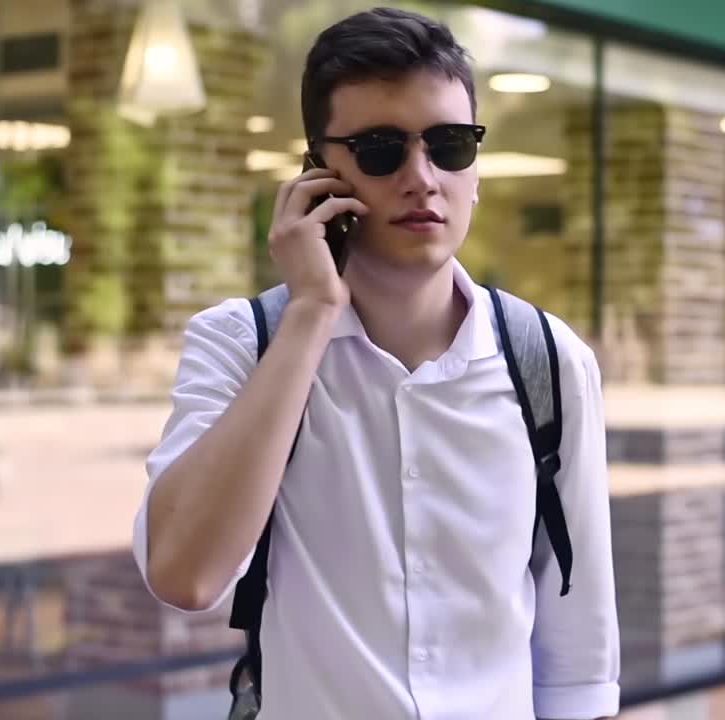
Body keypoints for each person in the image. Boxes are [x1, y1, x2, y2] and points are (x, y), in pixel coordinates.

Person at [130, 8, 620, 719]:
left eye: (450, 145)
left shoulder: (548, 360)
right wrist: (310, 313)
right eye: (381, 148)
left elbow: (580, 659)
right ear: (318, 174)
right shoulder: (243, 343)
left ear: (476, 169)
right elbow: (185, 575)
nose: (422, 178)